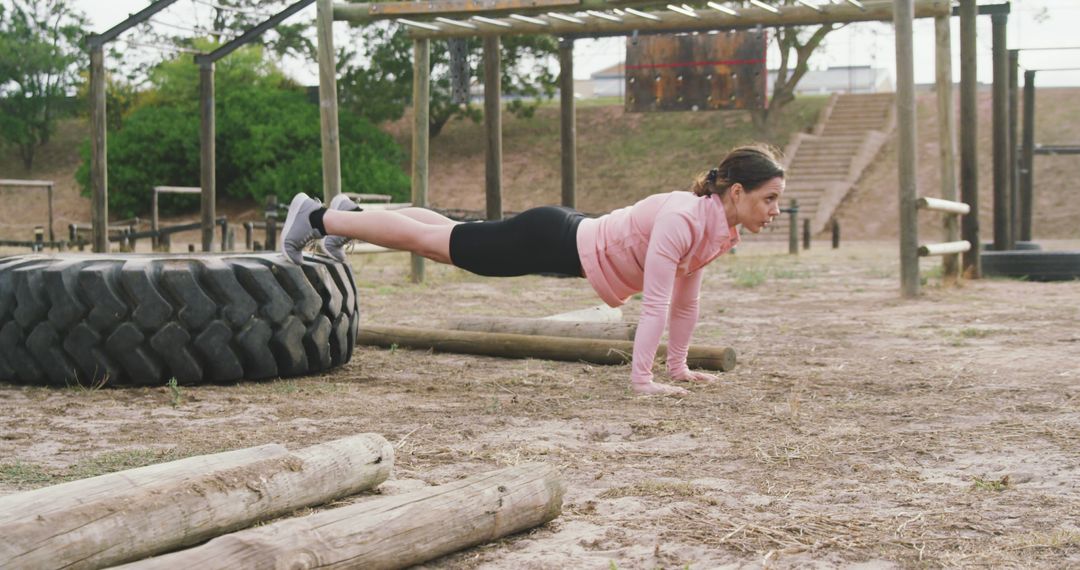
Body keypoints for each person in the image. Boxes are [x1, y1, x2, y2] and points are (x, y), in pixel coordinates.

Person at [281, 144, 785, 396]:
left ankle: (352, 216)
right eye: (770, 199)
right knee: (442, 244)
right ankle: (319, 216)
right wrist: (642, 380)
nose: (776, 210)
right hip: (551, 239)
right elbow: (657, 300)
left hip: (561, 237)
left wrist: (677, 368)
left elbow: (686, 300)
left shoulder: (718, 229)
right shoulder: (682, 217)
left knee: (446, 237)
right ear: (736, 193)